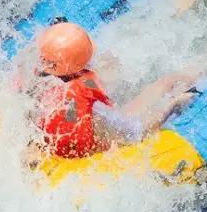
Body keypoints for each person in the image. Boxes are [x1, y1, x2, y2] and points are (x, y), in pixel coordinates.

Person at [30, 21, 197, 159]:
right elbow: (136, 131)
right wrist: (173, 103)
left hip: (62, 145)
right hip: (97, 147)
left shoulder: (37, 81)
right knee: (169, 81)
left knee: (164, 81)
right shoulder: (90, 102)